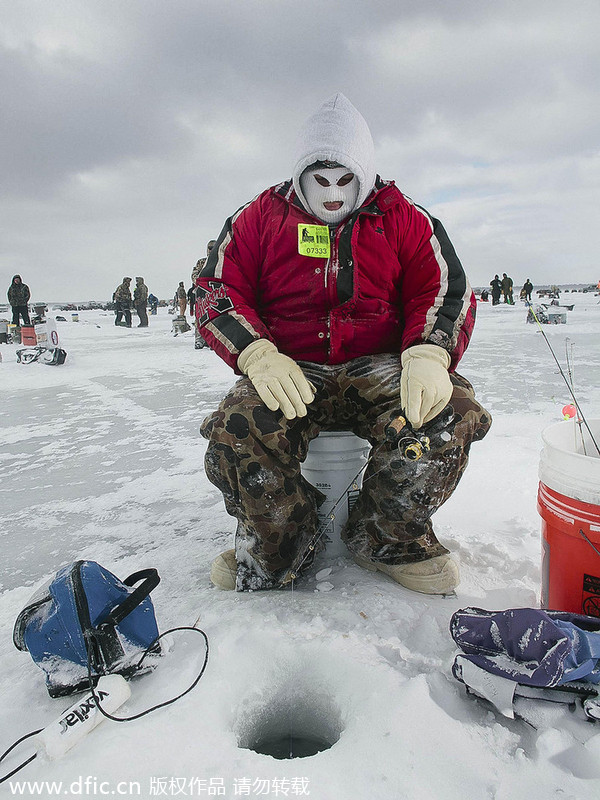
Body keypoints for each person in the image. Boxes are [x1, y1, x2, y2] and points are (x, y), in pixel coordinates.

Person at [196, 93, 491, 595]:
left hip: (377, 367)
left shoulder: (404, 218)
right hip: (292, 367)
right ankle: (278, 543)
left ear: (364, 174)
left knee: (448, 412)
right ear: (300, 176)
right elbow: (215, 289)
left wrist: (428, 353)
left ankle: (388, 537)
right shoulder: (257, 219)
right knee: (240, 426)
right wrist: (257, 354)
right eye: (320, 180)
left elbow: (445, 288)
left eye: (344, 180)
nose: (332, 193)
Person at [191, 240, 217, 349]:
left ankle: (213, 340)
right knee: (200, 318)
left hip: (216, 294)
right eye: (209, 248)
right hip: (202, 295)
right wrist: (202, 283)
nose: (211, 250)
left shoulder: (222, 260)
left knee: (215, 318)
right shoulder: (201, 262)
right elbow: (194, 275)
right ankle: (199, 339)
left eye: (213, 247)